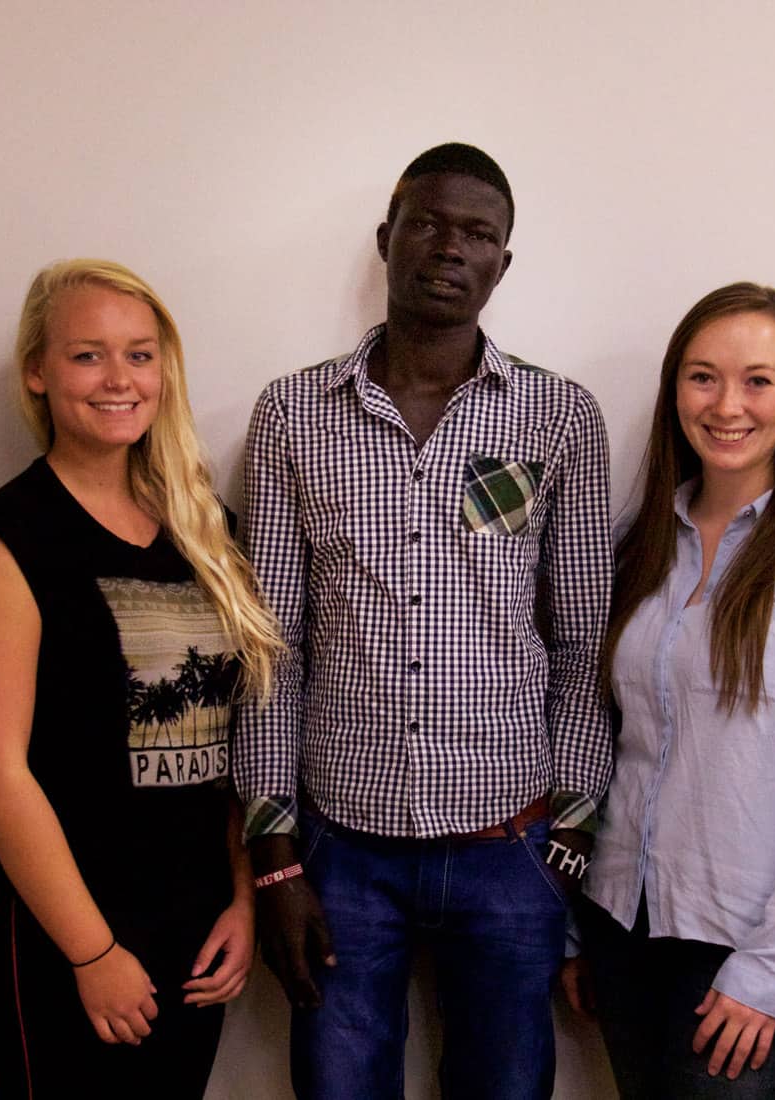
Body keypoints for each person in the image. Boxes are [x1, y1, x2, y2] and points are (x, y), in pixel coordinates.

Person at [235, 142, 614, 1100]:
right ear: (387, 238)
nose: (450, 248)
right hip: (341, 848)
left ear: (503, 263)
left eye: (478, 233)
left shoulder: (559, 416)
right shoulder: (293, 414)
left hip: (510, 843)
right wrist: (273, 853)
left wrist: (571, 825)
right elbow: (273, 649)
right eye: (428, 224)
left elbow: (582, 640)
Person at [560, 283, 775, 1099]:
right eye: (703, 377)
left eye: (757, 381)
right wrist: (580, 929)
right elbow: (610, 745)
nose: (726, 405)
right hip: (623, 928)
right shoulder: (639, 546)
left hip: (748, 951)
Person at [0, 259, 280, 1096]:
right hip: (59, 926)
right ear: (38, 370)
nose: (119, 379)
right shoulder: (8, 537)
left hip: (194, 922)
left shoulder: (206, 528)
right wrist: (91, 951)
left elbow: (229, 740)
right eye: (87, 355)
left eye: (139, 354)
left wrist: (241, 898)